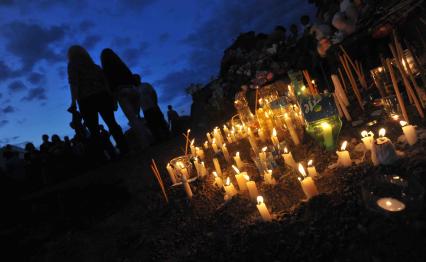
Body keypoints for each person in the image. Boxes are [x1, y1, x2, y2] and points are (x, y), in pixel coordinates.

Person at [67, 45, 128, 157]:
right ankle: (125, 149)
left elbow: (74, 83)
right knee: (112, 123)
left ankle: (102, 156)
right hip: (102, 96)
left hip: (86, 100)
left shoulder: (72, 65)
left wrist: (73, 101)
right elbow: (105, 83)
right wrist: (112, 98)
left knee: (93, 129)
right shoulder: (95, 67)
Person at [100, 49, 150, 149]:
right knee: (137, 117)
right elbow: (131, 77)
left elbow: (109, 86)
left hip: (122, 92)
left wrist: (113, 101)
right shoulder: (121, 65)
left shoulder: (106, 70)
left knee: (133, 119)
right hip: (133, 90)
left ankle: (145, 143)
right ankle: (150, 136)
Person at [134, 74, 169, 142]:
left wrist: (155, 102)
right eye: (134, 79)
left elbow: (153, 93)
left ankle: (167, 134)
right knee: (151, 124)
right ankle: (158, 138)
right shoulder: (135, 90)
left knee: (160, 120)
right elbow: (137, 101)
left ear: (139, 78)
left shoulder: (146, 85)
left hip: (153, 106)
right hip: (145, 109)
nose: (135, 80)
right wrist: (138, 112)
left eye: (136, 78)